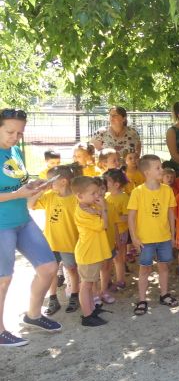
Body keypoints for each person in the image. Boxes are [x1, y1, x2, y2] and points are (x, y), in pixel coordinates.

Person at [0, 108, 62, 347]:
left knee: (48, 267)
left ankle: (33, 315)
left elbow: (19, 183)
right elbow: (15, 191)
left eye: (20, 133)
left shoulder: (15, 151)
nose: (15, 137)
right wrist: (18, 193)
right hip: (2, 225)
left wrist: (35, 185)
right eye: (10, 132)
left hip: (22, 220)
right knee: (3, 279)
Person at [127, 155, 179, 315]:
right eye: (158, 168)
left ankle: (164, 295)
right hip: (145, 240)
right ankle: (142, 300)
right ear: (147, 172)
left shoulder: (167, 190)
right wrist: (134, 237)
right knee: (144, 269)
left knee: (164, 267)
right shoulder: (137, 192)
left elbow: (171, 214)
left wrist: (173, 234)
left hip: (164, 237)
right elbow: (131, 217)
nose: (161, 170)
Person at [29, 165, 79, 316]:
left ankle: (74, 295)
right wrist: (40, 191)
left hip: (69, 243)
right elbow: (30, 205)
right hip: (51, 243)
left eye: (51, 180)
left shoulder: (76, 198)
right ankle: (53, 298)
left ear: (63, 181)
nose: (48, 183)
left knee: (72, 269)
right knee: (52, 272)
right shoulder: (50, 195)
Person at [71, 176, 112, 327]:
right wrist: (104, 209)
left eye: (97, 192)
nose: (97, 195)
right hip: (88, 253)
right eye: (93, 193)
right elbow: (103, 225)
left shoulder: (88, 206)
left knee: (90, 283)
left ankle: (92, 309)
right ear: (80, 196)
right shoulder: (84, 213)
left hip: (93, 252)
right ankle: (87, 315)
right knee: (86, 285)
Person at [103, 169, 131, 291]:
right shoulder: (106, 196)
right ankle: (107, 280)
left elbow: (128, 216)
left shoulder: (124, 198)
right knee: (108, 257)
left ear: (116, 184)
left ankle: (120, 280)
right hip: (109, 232)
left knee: (118, 257)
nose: (104, 184)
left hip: (120, 232)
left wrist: (113, 218)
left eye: (107, 181)